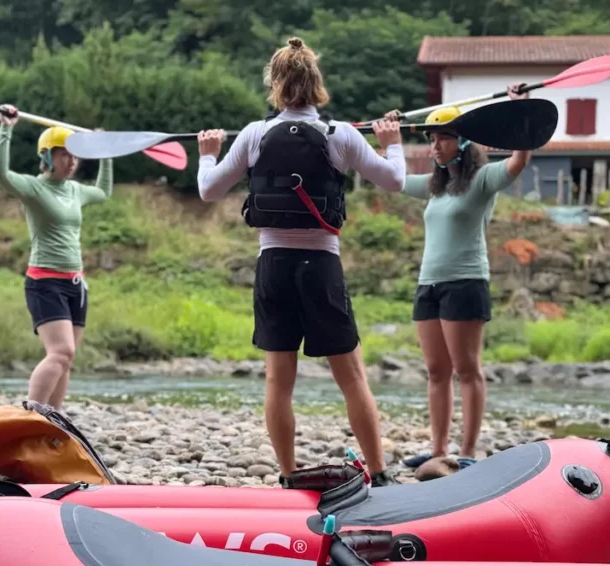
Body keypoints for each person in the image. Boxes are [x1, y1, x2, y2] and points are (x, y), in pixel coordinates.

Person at [196, 37, 405, 488]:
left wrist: (207, 154)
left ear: (276, 85)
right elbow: (395, 181)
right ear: (317, 85)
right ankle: (380, 473)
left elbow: (209, 190)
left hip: (273, 267)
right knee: (351, 376)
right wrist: (393, 144)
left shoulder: (254, 134)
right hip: (321, 267)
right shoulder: (341, 135)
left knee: (279, 380)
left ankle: (289, 475)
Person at [386, 87, 531, 471]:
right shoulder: (434, 187)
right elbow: (391, 177)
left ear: (462, 142)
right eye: (432, 139)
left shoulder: (482, 180)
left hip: (465, 283)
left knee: (467, 369)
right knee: (436, 371)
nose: (435, 146)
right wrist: (391, 136)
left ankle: (466, 454)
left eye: (443, 138)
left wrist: (517, 113)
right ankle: (438, 450)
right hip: (428, 285)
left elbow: (519, 160)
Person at [0, 107, 113, 411]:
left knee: (65, 360)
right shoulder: (33, 188)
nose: (71, 162)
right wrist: (6, 129)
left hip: (76, 284)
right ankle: (31, 413)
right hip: (45, 283)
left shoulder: (75, 190)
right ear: (46, 156)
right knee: (60, 352)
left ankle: (54, 421)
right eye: (63, 155)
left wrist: (105, 152)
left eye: (74, 156)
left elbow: (103, 192)